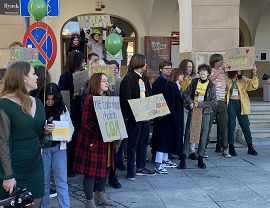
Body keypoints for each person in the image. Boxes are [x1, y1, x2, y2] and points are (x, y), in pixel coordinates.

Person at [0, 61, 54, 207]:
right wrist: (8, 176)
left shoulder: (37, 102)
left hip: (35, 165)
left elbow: (42, 140)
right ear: (23, 77)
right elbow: (2, 142)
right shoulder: (4, 104)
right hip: (13, 167)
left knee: (36, 203)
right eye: (33, 73)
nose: (37, 76)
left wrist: (46, 131)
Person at [74, 73, 114, 208]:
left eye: (107, 80)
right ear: (96, 83)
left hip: (106, 140)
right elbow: (86, 123)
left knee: (106, 167)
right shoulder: (90, 99)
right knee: (90, 173)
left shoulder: (106, 98)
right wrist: (102, 130)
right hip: (93, 140)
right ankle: (89, 201)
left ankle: (100, 194)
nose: (107, 83)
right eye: (104, 81)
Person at [119, 54, 156, 181]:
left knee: (144, 143)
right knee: (132, 144)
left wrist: (149, 111)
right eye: (144, 62)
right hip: (134, 118)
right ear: (139, 63)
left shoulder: (145, 78)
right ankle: (131, 171)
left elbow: (149, 96)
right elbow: (126, 100)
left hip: (145, 117)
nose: (146, 65)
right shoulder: (128, 79)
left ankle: (141, 167)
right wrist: (137, 113)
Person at [38, 83, 74, 208]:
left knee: (62, 181)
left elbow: (70, 126)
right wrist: (44, 131)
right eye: (47, 99)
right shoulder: (38, 108)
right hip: (44, 149)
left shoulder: (62, 108)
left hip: (59, 147)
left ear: (57, 98)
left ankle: (65, 206)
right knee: (44, 182)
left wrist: (68, 136)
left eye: (52, 99)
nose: (49, 102)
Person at [183, 64, 217, 169]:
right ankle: (183, 157)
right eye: (200, 71)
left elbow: (214, 102)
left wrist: (201, 104)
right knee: (189, 132)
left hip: (205, 112)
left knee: (204, 133)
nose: (202, 73)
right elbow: (185, 93)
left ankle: (200, 157)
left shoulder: (211, 85)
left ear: (208, 73)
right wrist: (190, 102)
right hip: (193, 110)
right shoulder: (194, 82)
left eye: (204, 71)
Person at [58, 50, 86, 177]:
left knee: (78, 140)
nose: (83, 63)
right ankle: (69, 167)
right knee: (71, 140)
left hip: (79, 111)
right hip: (70, 111)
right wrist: (74, 95)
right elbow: (62, 96)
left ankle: (76, 165)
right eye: (82, 61)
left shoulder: (81, 74)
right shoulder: (65, 77)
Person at [153, 67, 185, 174]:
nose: (183, 76)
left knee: (167, 140)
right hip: (167, 119)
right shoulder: (171, 86)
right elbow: (170, 104)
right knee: (163, 140)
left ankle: (165, 160)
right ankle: (159, 163)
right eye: (181, 74)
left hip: (170, 118)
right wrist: (174, 118)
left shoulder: (174, 86)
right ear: (176, 75)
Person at [226, 67, 259, 156]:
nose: (239, 72)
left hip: (241, 104)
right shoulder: (227, 80)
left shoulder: (242, 79)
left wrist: (254, 73)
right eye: (237, 70)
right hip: (230, 104)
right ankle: (231, 146)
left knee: (245, 125)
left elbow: (254, 86)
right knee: (231, 126)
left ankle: (250, 146)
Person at [207, 54, 231, 158]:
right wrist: (221, 70)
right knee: (207, 126)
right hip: (212, 102)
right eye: (221, 60)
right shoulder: (209, 70)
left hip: (222, 102)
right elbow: (210, 79)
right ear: (215, 61)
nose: (222, 61)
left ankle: (225, 149)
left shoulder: (225, 72)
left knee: (224, 126)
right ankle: (203, 149)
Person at [150, 61, 173, 166]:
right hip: (161, 114)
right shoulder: (158, 82)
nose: (168, 70)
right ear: (161, 69)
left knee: (167, 136)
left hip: (168, 113)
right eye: (166, 68)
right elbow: (155, 99)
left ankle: (165, 158)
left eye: (170, 68)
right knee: (161, 136)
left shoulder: (169, 81)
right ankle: (158, 159)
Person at [179, 59, 198, 162]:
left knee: (193, 129)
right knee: (183, 129)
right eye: (188, 67)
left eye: (191, 66)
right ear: (184, 67)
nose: (190, 68)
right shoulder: (180, 79)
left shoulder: (195, 79)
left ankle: (192, 150)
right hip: (184, 107)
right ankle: (183, 150)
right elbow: (181, 92)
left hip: (194, 107)